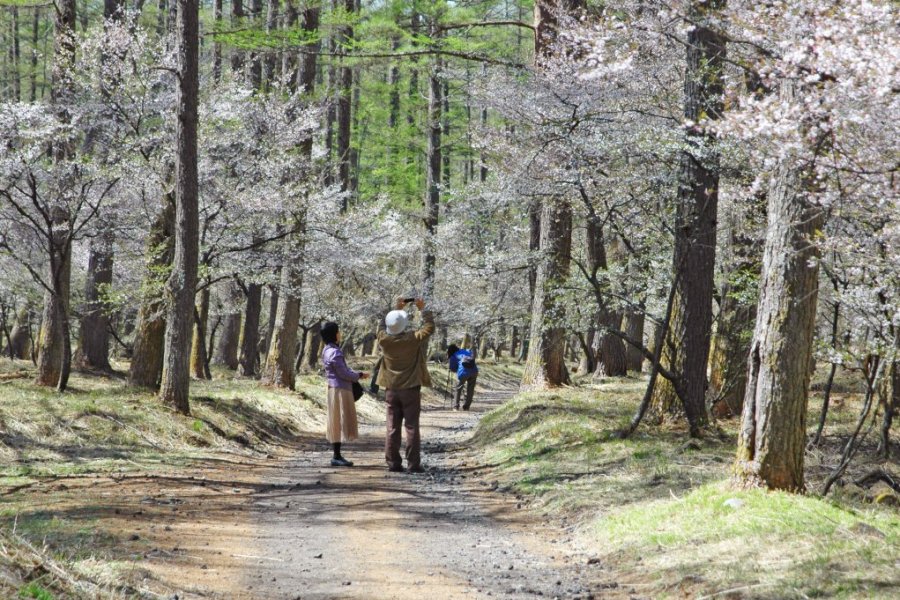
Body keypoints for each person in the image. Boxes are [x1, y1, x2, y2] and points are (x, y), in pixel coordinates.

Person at [376, 298, 435, 473]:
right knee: (411, 426)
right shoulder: (412, 339)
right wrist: (423, 310)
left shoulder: (384, 339)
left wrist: (395, 308)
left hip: (391, 390)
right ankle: (413, 464)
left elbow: (380, 327)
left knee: (392, 427)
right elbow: (429, 328)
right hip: (410, 389)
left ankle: (393, 463)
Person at [321, 321, 368, 467]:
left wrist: (355, 374)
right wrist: (359, 375)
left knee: (335, 421)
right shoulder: (335, 352)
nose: (340, 334)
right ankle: (337, 456)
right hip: (341, 390)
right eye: (338, 331)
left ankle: (337, 455)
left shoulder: (326, 350)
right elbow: (343, 374)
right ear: (334, 334)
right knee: (339, 421)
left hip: (333, 389)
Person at [447, 343, 478, 411]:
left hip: (463, 373)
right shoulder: (466, 351)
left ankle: (456, 407)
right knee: (470, 390)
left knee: (458, 388)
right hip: (474, 371)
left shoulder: (454, 355)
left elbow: (452, 368)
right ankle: (466, 407)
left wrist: (454, 370)